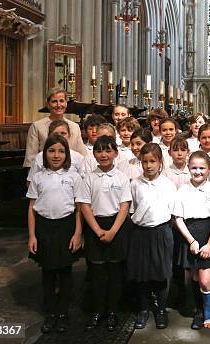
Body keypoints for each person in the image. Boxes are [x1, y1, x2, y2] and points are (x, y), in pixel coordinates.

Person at [27, 134, 83, 334]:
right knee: (48, 272)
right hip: (44, 228)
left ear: (67, 154)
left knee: (65, 272)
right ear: (45, 154)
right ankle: (50, 313)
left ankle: (63, 313)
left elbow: (79, 209)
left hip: (66, 227)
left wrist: (77, 234)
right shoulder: (38, 177)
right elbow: (32, 207)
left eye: (61, 151)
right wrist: (32, 235)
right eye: (51, 151)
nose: (56, 155)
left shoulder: (74, 177)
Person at [76, 135, 132, 332]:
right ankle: (97, 310)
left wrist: (113, 231)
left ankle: (112, 311)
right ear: (94, 153)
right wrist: (98, 230)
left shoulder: (122, 178)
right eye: (99, 150)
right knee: (97, 272)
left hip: (117, 225)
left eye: (108, 150)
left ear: (116, 153)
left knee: (115, 272)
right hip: (95, 227)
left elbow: (125, 205)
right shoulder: (89, 178)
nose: (104, 154)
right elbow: (84, 205)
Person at [173, 151, 210, 329]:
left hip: (209, 234)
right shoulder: (182, 190)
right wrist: (191, 241)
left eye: (202, 168)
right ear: (188, 168)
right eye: (194, 168)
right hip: (190, 235)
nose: (198, 171)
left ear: (209, 169)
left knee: (205, 279)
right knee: (194, 277)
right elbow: (178, 218)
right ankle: (198, 312)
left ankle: (209, 312)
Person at [128, 143, 177, 330]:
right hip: (140, 233)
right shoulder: (135, 184)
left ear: (160, 162)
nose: (148, 165)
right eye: (145, 162)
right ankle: (143, 309)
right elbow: (131, 210)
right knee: (142, 274)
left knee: (161, 273)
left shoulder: (167, 184)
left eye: (152, 161)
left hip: (161, 231)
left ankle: (161, 310)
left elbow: (172, 212)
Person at [24, 88, 86, 168]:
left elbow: (82, 155)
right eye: (54, 101)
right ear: (48, 104)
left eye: (61, 101)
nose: (58, 105)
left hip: (71, 171)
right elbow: (30, 159)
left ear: (66, 104)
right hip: (45, 171)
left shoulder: (74, 127)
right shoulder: (37, 126)